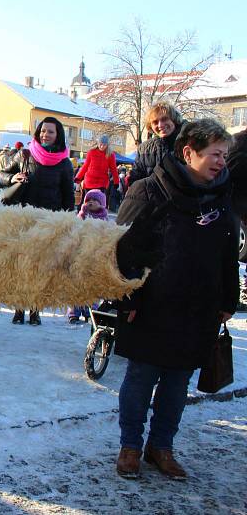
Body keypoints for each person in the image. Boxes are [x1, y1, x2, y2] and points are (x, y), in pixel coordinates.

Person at [114, 119, 237, 481]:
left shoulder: (220, 194)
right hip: (151, 306)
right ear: (189, 152)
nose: (221, 162)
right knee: (140, 379)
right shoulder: (149, 190)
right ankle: (130, 447)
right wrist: (127, 299)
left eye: (225, 155)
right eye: (215, 154)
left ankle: (161, 447)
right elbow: (122, 250)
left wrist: (227, 299)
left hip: (199, 308)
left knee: (177, 383)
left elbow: (228, 253)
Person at [0, 116, 75, 325]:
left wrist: (68, 224)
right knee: (21, 265)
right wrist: (12, 178)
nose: (45, 135)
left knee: (40, 267)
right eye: (42, 131)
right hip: (24, 219)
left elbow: (68, 197)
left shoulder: (64, 163)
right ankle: (18, 308)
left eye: (50, 131)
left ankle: (35, 309)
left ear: (58, 135)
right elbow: (0, 175)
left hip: (48, 223)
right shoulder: (25, 154)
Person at [67, 189, 108, 323]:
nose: (91, 203)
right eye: (88, 200)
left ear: (102, 204)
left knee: (92, 284)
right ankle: (74, 310)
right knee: (76, 284)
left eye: (95, 200)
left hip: (94, 257)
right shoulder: (82, 216)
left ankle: (91, 310)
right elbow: (75, 231)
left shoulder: (104, 219)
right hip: (80, 256)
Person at [129, 101, 184, 185]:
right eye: (155, 122)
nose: (160, 125)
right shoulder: (144, 148)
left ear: (174, 120)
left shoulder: (188, 142)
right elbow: (135, 181)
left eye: (164, 119)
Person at [75, 134, 118, 201]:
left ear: (107, 145)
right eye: (100, 144)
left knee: (98, 203)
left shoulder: (110, 155)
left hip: (102, 183)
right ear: (97, 143)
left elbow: (114, 169)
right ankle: (83, 210)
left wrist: (116, 182)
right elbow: (85, 166)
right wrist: (79, 177)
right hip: (89, 181)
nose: (102, 146)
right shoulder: (91, 152)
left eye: (104, 145)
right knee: (88, 203)